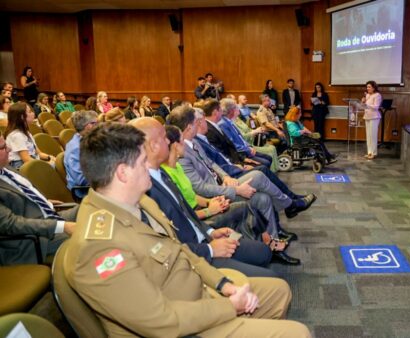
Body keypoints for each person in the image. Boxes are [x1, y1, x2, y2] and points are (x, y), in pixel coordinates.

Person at [65, 122, 311, 337]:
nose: (149, 165)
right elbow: (160, 321)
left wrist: (222, 283)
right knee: (298, 333)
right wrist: (229, 306)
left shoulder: (141, 203)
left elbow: (181, 251)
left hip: (197, 295)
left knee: (279, 291)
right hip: (184, 327)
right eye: (142, 162)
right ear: (123, 173)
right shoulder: (99, 246)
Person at [130, 117, 278, 277]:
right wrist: (210, 247)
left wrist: (209, 231)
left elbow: (187, 212)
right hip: (195, 255)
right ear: (153, 145)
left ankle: (263, 246)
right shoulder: (146, 188)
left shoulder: (161, 173)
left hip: (203, 235)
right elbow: (171, 242)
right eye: (164, 137)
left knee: (263, 253)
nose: (168, 140)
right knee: (275, 279)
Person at [169, 105, 312, 265]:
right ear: (189, 127)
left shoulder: (193, 142)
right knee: (259, 175)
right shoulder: (181, 153)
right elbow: (200, 188)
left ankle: (274, 242)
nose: (201, 124)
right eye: (198, 122)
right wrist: (234, 189)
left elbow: (212, 164)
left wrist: (226, 177)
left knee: (263, 198)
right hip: (215, 195)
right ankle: (290, 204)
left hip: (223, 183)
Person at [0, 133, 76, 265]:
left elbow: (23, 192)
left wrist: (44, 201)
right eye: (3, 147)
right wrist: (62, 226)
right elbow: (11, 224)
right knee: (87, 239)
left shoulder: (5, 168)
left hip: (47, 216)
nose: (10, 150)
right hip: (31, 240)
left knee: (89, 208)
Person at [204, 99, 261, 167]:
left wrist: (243, 156)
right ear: (216, 112)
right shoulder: (216, 127)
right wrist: (239, 163)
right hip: (233, 161)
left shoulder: (218, 124)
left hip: (238, 156)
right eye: (221, 110)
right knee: (263, 165)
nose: (222, 113)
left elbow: (232, 144)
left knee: (265, 162)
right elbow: (221, 154)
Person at [219, 98, 273, 168]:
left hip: (246, 148)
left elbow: (240, 138)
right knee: (266, 162)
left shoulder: (230, 121)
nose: (238, 109)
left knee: (268, 158)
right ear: (231, 111)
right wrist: (248, 148)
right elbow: (232, 144)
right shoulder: (223, 124)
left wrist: (249, 146)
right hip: (241, 154)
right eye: (236, 107)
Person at [5, 102, 55, 169]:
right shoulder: (17, 135)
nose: (33, 113)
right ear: (22, 117)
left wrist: (50, 157)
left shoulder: (26, 132)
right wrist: (47, 164)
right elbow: (27, 159)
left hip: (33, 161)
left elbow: (39, 153)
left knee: (57, 163)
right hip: (22, 166)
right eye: (30, 112)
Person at [64, 110, 98, 200]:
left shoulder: (89, 140)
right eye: (96, 123)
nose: (99, 126)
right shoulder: (75, 148)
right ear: (88, 126)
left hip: (95, 185)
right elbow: (82, 180)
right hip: (84, 192)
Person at [362, 80, 382, 159]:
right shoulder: (367, 95)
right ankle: (369, 152)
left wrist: (366, 104)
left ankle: (373, 153)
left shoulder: (377, 95)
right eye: (367, 87)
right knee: (368, 136)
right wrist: (363, 102)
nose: (368, 88)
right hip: (367, 116)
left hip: (374, 117)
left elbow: (376, 107)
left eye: (369, 87)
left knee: (373, 135)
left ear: (374, 88)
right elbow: (365, 106)